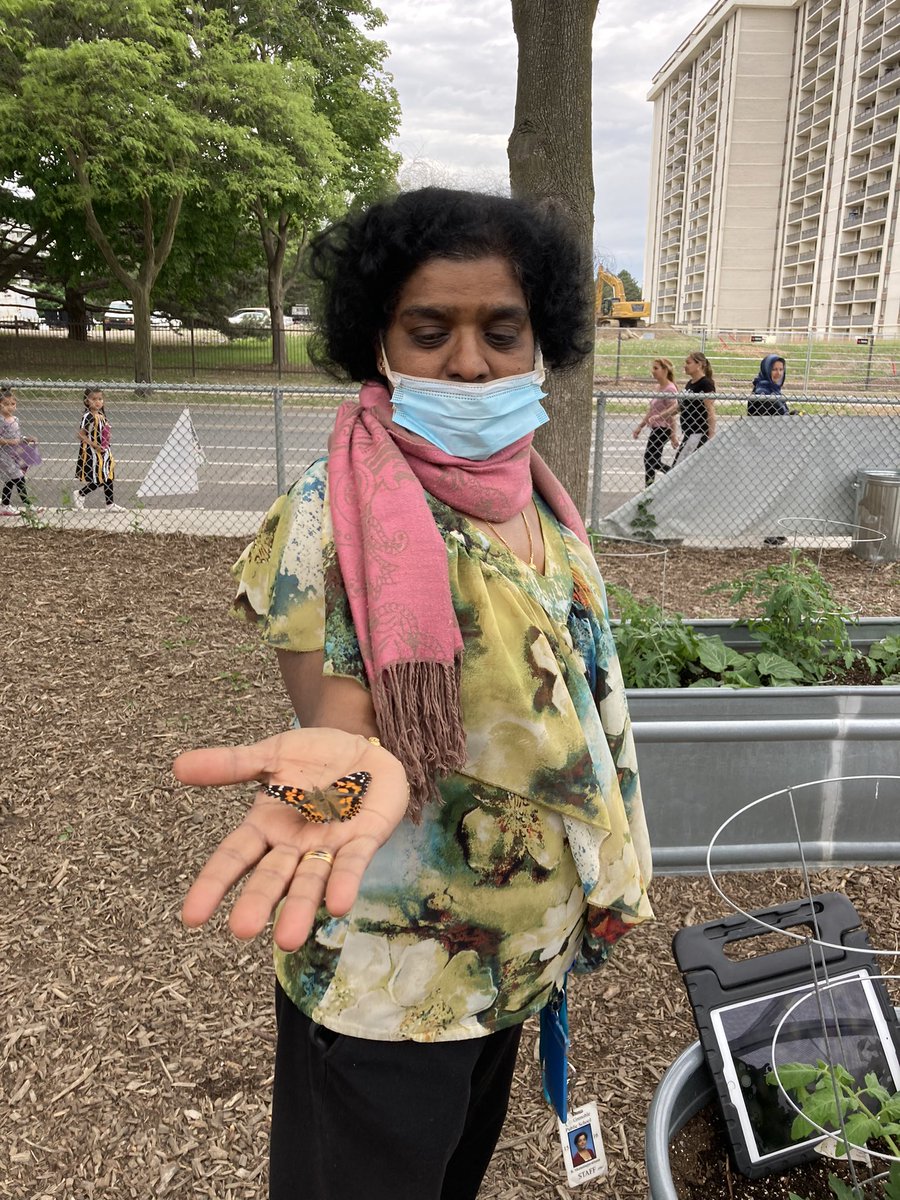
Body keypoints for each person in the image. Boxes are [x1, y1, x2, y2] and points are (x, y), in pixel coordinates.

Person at [172, 187, 654, 1200]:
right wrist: (341, 767)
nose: (471, 362)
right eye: (430, 332)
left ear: (542, 339)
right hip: (387, 984)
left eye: (501, 330)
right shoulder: (333, 508)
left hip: (506, 966)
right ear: (378, 342)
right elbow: (341, 722)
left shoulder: (536, 494)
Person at [748, 354, 790, 544]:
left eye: (781, 369)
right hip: (765, 451)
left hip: (777, 450)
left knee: (776, 492)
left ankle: (773, 528)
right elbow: (762, 414)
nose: (778, 373)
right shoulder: (762, 390)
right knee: (768, 493)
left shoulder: (775, 391)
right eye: (774, 369)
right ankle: (768, 531)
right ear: (767, 369)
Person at [74, 387, 124, 510]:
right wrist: (95, 445)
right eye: (93, 399)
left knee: (109, 475)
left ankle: (110, 503)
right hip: (93, 452)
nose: (97, 402)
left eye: (100, 399)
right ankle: (80, 493)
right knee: (100, 477)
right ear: (87, 401)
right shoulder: (89, 416)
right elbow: (81, 434)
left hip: (105, 450)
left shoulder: (101, 415)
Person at [632, 357, 679, 486]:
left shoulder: (670, 389)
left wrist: (673, 435)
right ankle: (651, 486)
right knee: (652, 460)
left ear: (665, 370)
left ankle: (670, 476)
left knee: (650, 459)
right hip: (656, 427)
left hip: (663, 429)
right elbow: (652, 410)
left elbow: (673, 413)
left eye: (656, 368)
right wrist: (640, 427)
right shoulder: (659, 387)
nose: (653, 371)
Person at [0, 387, 39, 515]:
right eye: (6, 404)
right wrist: (10, 442)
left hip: (14, 454)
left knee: (10, 479)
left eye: (13, 404)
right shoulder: (1, 421)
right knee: (18, 477)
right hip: (4, 455)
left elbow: (17, 436)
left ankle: (5, 505)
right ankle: (28, 504)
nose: (10, 407)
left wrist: (25, 439)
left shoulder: (15, 419)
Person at [673, 351, 716, 465]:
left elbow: (710, 410)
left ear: (699, 365)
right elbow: (681, 406)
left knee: (677, 468)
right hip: (689, 433)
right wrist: (661, 415)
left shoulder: (706, 383)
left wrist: (711, 435)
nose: (685, 366)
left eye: (688, 362)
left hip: (698, 433)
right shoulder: (690, 383)